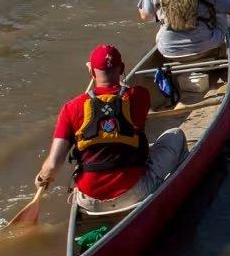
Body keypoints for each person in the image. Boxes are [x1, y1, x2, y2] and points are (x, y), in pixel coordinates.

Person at [35, 44, 188, 213]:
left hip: (89, 201)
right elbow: (121, 94)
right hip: (134, 192)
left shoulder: (70, 108)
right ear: (122, 69)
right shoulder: (140, 96)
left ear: (92, 73)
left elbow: (52, 166)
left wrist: (42, 178)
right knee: (176, 135)